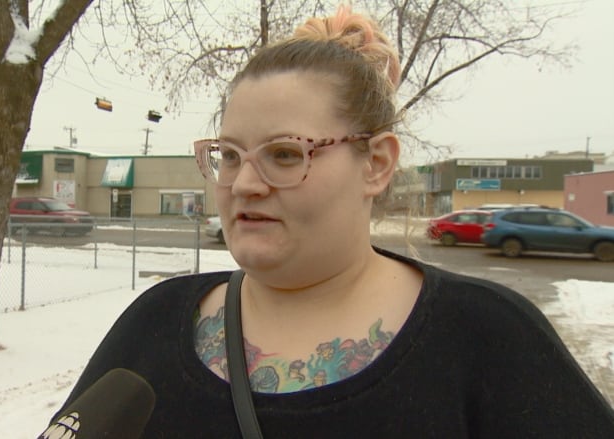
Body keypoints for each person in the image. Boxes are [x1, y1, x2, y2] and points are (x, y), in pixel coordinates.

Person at [51, 6, 614, 437]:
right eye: (228, 155)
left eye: (286, 154)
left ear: (376, 164)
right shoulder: (154, 322)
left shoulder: (488, 335)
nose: (243, 183)